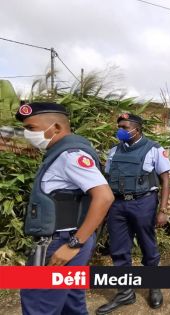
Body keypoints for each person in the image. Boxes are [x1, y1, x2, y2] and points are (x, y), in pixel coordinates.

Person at [16, 102, 114, 315]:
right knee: (71, 305)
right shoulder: (60, 153)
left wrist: (73, 244)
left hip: (60, 243)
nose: (27, 134)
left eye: (31, 128)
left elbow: (104, 197)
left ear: (57, 128)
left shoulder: (70, 156)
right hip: (65, 239)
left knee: (38, 304)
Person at [96, 113, 170, 314]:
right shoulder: (113, 151)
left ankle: (154, 285)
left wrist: (163, 210)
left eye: (124, 126)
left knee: (148, 246)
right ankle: (125, 293)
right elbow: (107, 179)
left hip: (143, 203)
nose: (120, 130)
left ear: (137, 129)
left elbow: (165, 180)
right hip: (117, 204)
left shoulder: (154, 149)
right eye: (119, 126)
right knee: (119, 250)